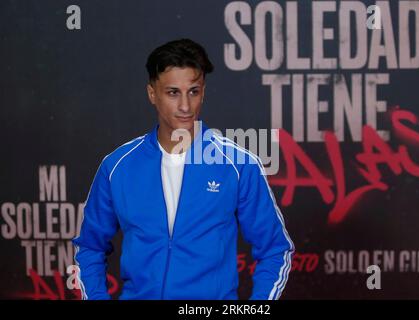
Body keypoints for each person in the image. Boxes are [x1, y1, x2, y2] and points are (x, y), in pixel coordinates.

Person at [72, 38, 295, 300]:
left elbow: (274, 250)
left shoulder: (238, 165)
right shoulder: (117, 167)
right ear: (152, 93)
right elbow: (89, 247)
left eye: (194, 91)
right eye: (173, 92)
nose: (186, 106)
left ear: (204, 92)